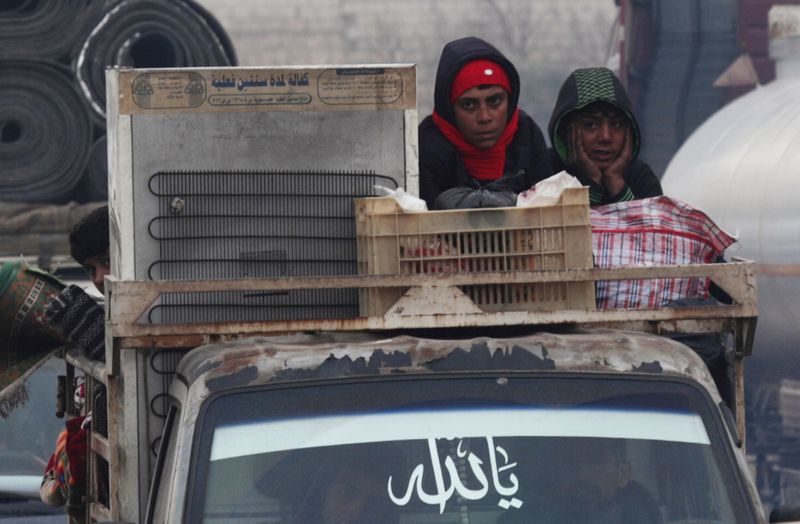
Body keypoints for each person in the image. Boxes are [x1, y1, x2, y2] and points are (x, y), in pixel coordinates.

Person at [419, 36, 551, 210]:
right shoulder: (428, 145)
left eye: (495, 101)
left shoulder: (525, 134)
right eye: (469, 104)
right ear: (450, 109)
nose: (484, 117)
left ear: (510, 101)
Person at [547, 67, 662, 206]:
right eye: (590, 125)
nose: (606, 137)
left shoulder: (640, 177)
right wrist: (590, 183)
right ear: (566, 130)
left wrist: (616, 184)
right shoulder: (545, 172)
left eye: (617, 124)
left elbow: (651, 226)